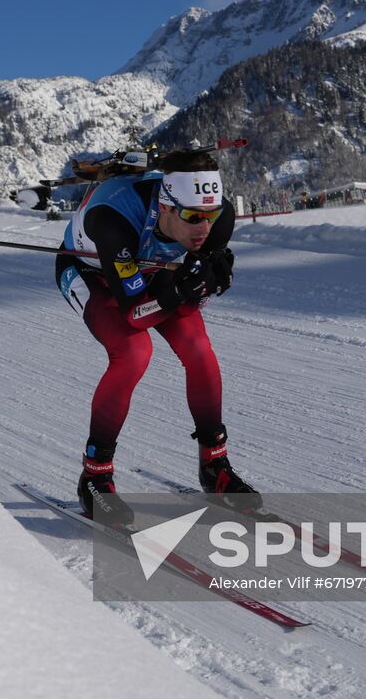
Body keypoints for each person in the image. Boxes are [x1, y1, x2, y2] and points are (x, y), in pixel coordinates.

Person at [55, 149, 253, 524]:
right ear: (165, 207)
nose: (205, 229)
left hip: (150, 268)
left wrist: (208, 279)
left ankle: (215, 464)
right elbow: (132, 314)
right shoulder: (111, 218)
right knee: (133, 353)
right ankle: (95, 475)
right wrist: (181, 291)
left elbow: (195, 281)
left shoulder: (216, 217)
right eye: (194, 217)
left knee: (199, 350)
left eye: (210, 215)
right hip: (92, 272)